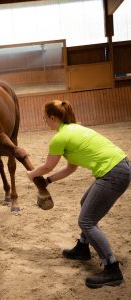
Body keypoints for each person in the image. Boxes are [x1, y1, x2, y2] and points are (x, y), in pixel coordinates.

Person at [26, 99, 131, 289]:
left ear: (52, 117)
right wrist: (49, 180)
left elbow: (48, 165)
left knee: (86, 221)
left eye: (45, 118)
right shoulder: (74, 128)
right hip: (118, 168)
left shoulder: (60, 137)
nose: (45, 122)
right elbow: (70, 168)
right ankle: (83, 248)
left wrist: (32, 174)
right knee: (86, 203)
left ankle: (112, 268)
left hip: (113, 173)